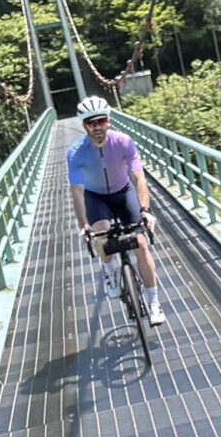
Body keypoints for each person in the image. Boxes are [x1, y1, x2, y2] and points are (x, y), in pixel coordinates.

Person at [68, 94, 165, 326]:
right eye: (92, 123)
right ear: (84, 126)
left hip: (123, 193)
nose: (97, 127)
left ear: (108, 121)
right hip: (96, 197)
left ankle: (154, 303)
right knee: (100, 234)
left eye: (101, 121)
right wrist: (84, 226)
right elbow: (78, 192)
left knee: (140, 243)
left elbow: (138, 177)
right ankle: (110, 271)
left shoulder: (123, 141)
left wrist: (145, 210)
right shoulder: (75, 152)